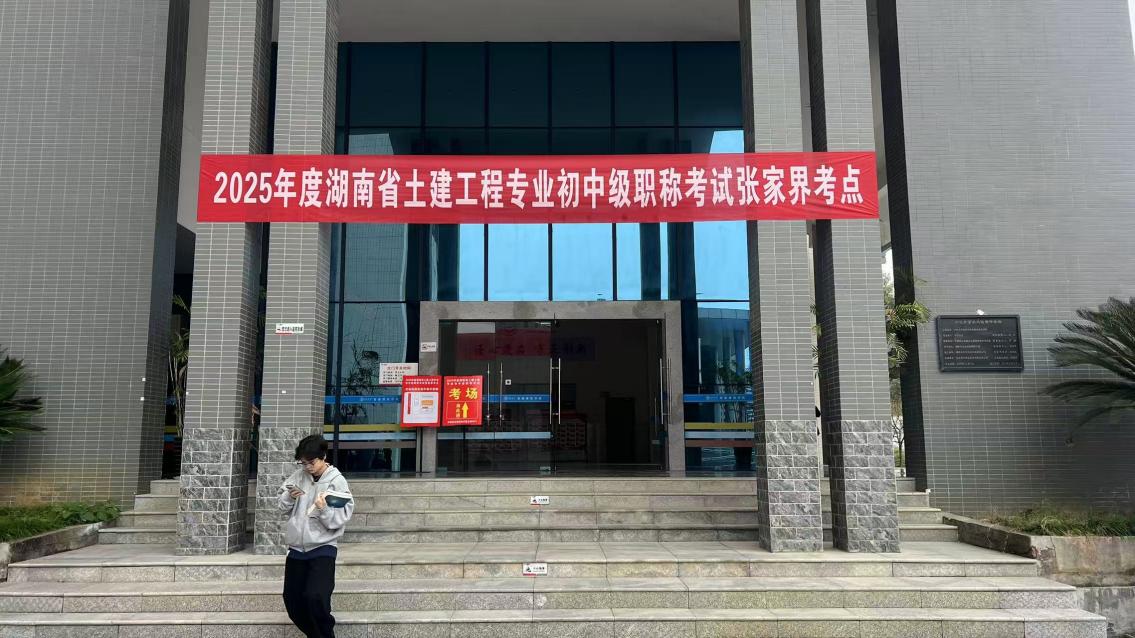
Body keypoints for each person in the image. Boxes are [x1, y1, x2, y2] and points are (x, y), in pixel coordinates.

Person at [278, 434, 354, 638]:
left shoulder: (337, 481)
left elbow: (339, 519)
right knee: (293, 601)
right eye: (303, 463)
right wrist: (289, 496)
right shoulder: (298, 476)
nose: (307, 467)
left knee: (316, 597)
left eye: (311, 462)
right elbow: (281, 507)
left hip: (323, 547)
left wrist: (323, 509)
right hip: (296, 548)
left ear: (323, 457)